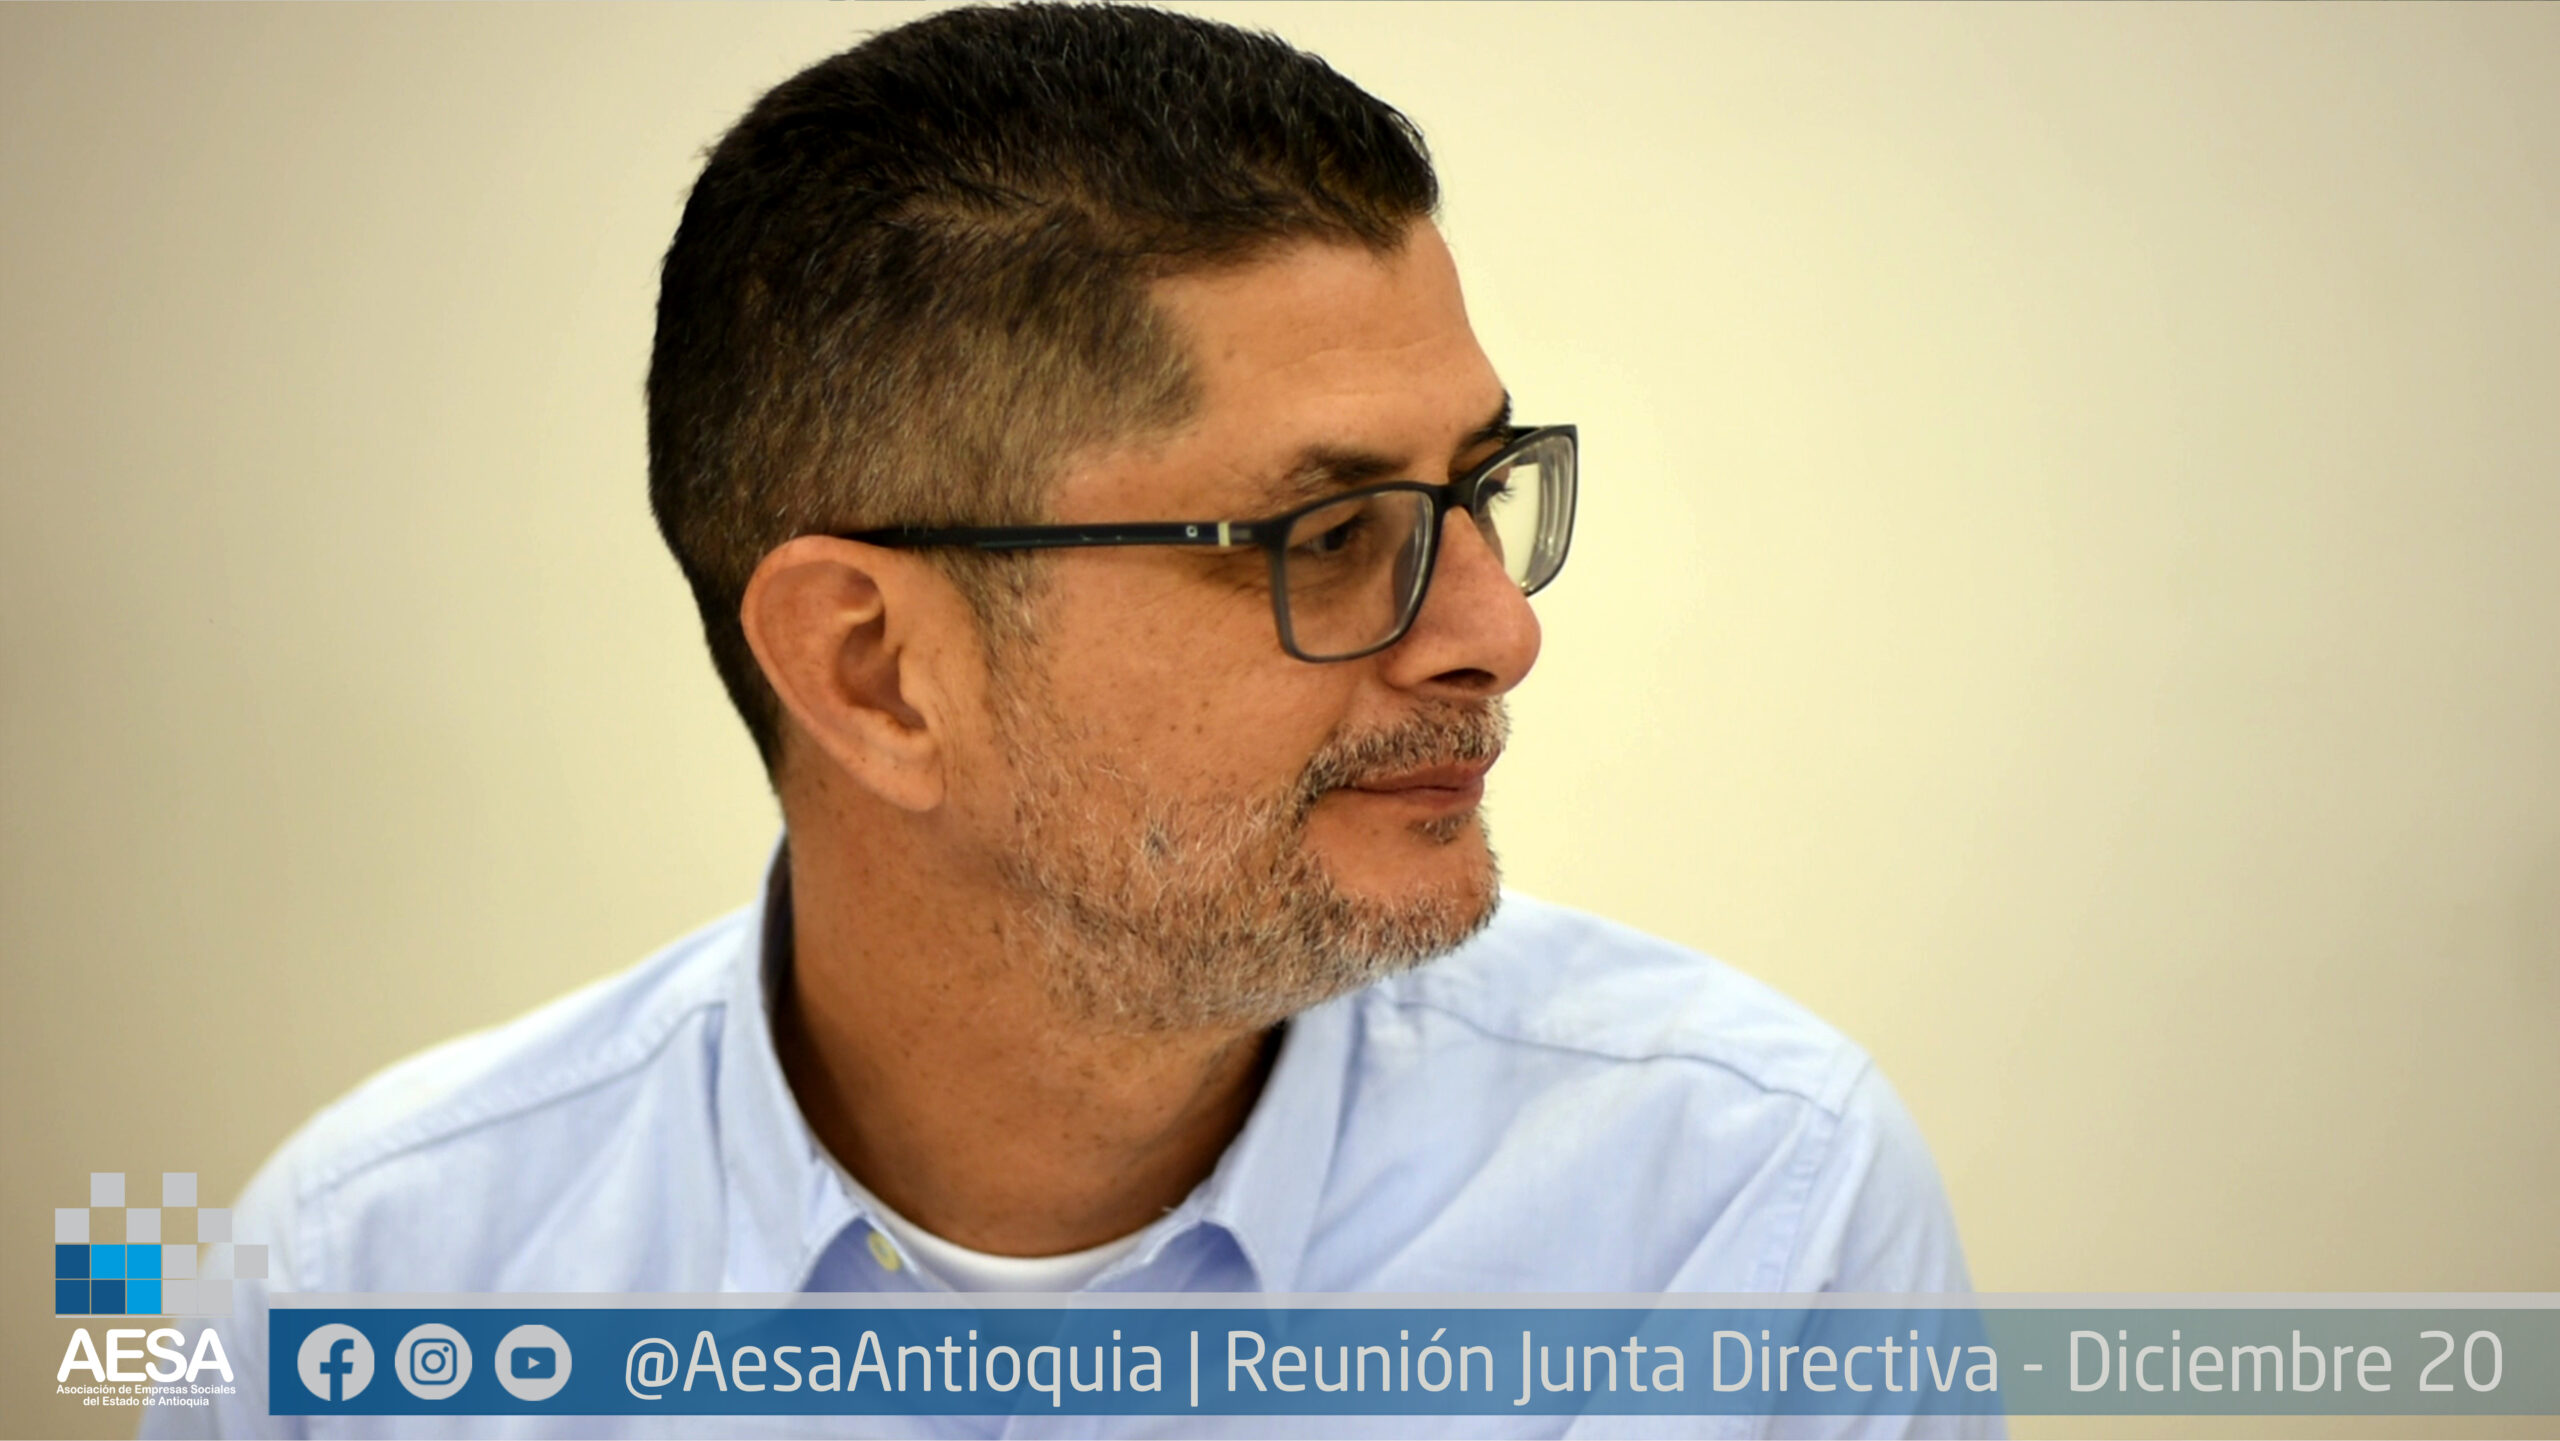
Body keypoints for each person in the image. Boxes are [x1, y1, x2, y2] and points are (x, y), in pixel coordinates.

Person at [153, 5, 1977, 1435]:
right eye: (1326, 535)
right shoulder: (375, 1287)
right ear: (872, 669)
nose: (1497, 633)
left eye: (1477, 492)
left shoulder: (1741, 1217)